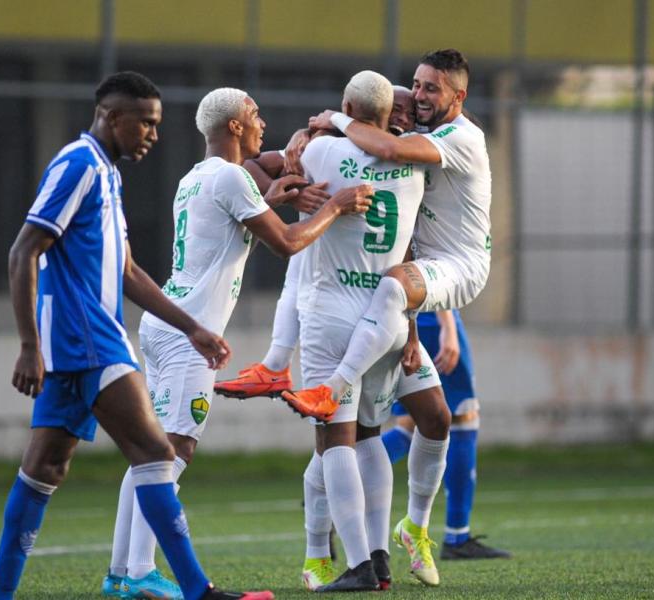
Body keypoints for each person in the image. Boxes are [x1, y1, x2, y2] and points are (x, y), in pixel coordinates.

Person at [0, 71, 273, 600]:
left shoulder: (109, 175)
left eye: (156, 125)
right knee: (157, 453)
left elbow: (128, 272)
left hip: (80, 345)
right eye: (145, 123)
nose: (152, 136)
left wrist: (194, 328)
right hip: (91, 339)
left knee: (43, 470)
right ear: (113, 117)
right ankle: (193, 589)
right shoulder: (79, 165)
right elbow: (24, 250)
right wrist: (28, 344)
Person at [104, 87, 373, 598]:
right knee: (169, 453)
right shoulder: (231, 176)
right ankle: (138, 572)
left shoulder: (197, 176)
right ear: (233, 127)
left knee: (151, 452)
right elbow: (289, 243)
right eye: (254, 115)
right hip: (190, 333)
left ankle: (123, 571)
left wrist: (285, 180)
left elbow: (234, 221)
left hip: (165, 323)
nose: (262, 123)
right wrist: (337, 205)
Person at [217, 85, 451, 589]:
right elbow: (408, 251)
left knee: (337, 439)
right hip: (383, 319)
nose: (410, 117)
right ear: (387, 117)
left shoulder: (321, 149)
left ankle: (361, 563)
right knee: (368, 435)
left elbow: (253, 171)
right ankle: (364, 556)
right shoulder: (415, 166)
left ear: (348, 112)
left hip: (334, 313)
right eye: (403, 110)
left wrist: (298, 168)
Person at [291, 48, 492, 418]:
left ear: (458, 96)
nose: (418, 96)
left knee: (392, 284)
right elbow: (372, 129)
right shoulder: (419, 128)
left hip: (461, 265)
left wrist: (333, 118)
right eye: (417, 85)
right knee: (436, 421)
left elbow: (388, 146)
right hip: (420, 264)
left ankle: (332, 388)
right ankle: (281, 365)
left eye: (431, 88)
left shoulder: (463, 138)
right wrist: (306, 133)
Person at [383, 309, 510, 559]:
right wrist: (448, 327)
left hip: (400, 325)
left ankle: (331, 486)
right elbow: (428, 273)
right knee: (464, 417)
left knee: (408, 426)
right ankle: (457, 536)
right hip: (432, 321)